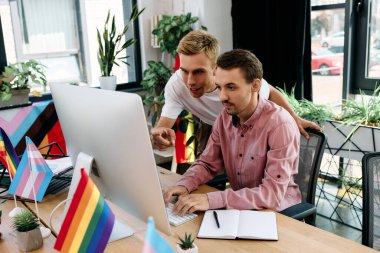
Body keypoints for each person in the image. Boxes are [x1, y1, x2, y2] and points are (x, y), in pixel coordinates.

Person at [163, 49, 301, 214]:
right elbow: (207, 164)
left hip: (278, 213)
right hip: (240, 209)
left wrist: (211, 199)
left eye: (231, 87)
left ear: (255, 85)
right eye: (219, 87)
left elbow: (271, 194)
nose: (222, 97)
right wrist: (184, 184)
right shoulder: (224, 117)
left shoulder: (280, 125)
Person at [150, 30, 320, 154]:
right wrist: (159, 134)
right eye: (184, 71)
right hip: (213, 128)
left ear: (215, 67)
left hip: (250, 128)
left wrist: (295, 118)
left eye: (199, 72)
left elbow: (271, 92)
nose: (189, 81)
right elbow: (165, 122)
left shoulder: (233, 79)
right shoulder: (177, 84)